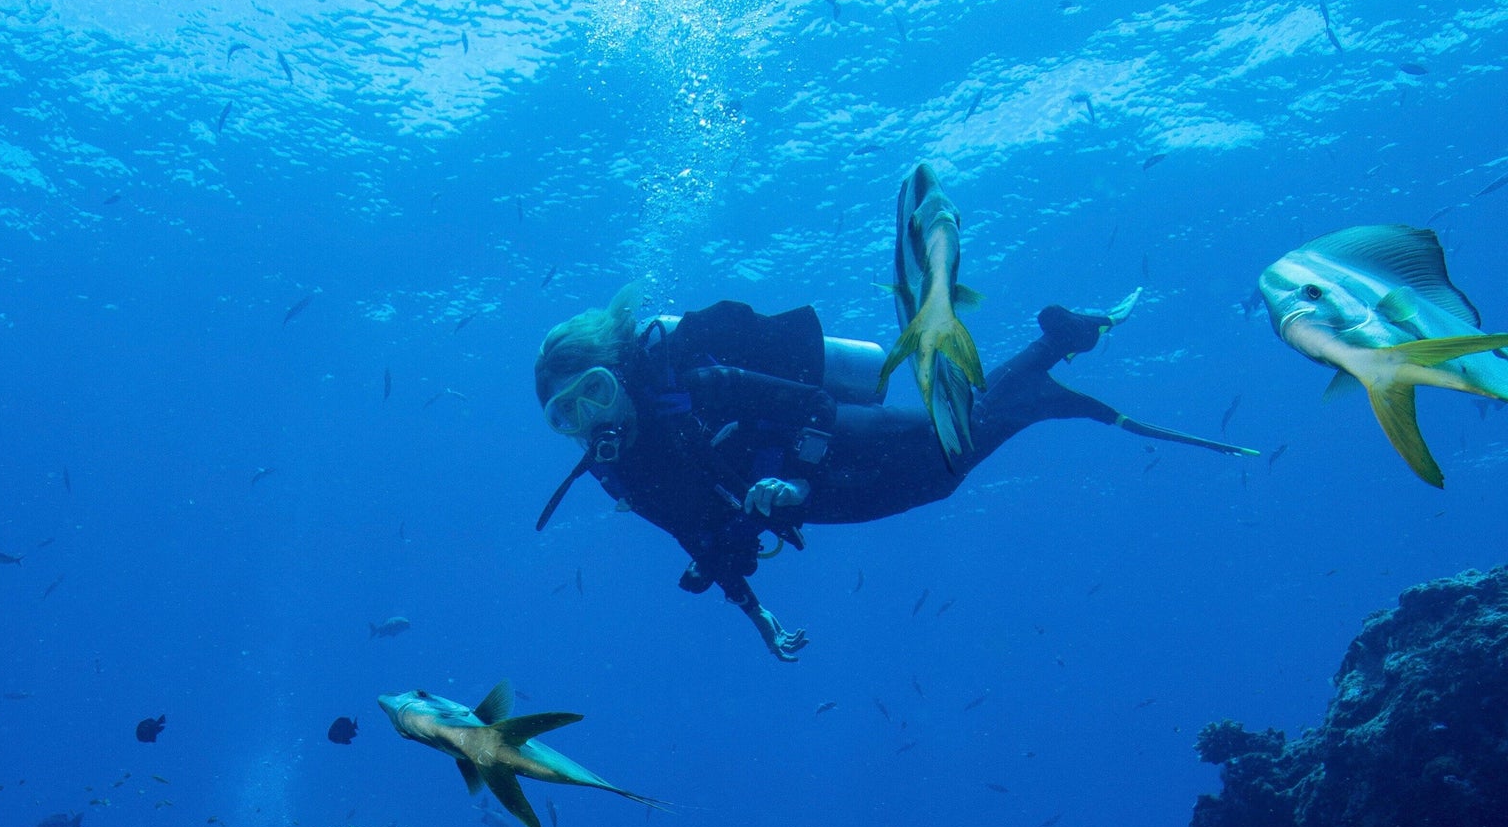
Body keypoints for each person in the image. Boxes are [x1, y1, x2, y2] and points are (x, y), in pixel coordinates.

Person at [533, 170, 1252, 660]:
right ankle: (1053, 355)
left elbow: (810, 404)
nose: (590, 417)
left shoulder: (693, 377)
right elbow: (697, 534)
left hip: (822, 448)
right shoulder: (615, 470)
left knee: (948, 457)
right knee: (948, 465)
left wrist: (786, 475)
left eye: (592, 390)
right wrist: (758, 616)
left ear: (617, 367)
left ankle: (1052, 358)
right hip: (803, 503)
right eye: (567, 414)